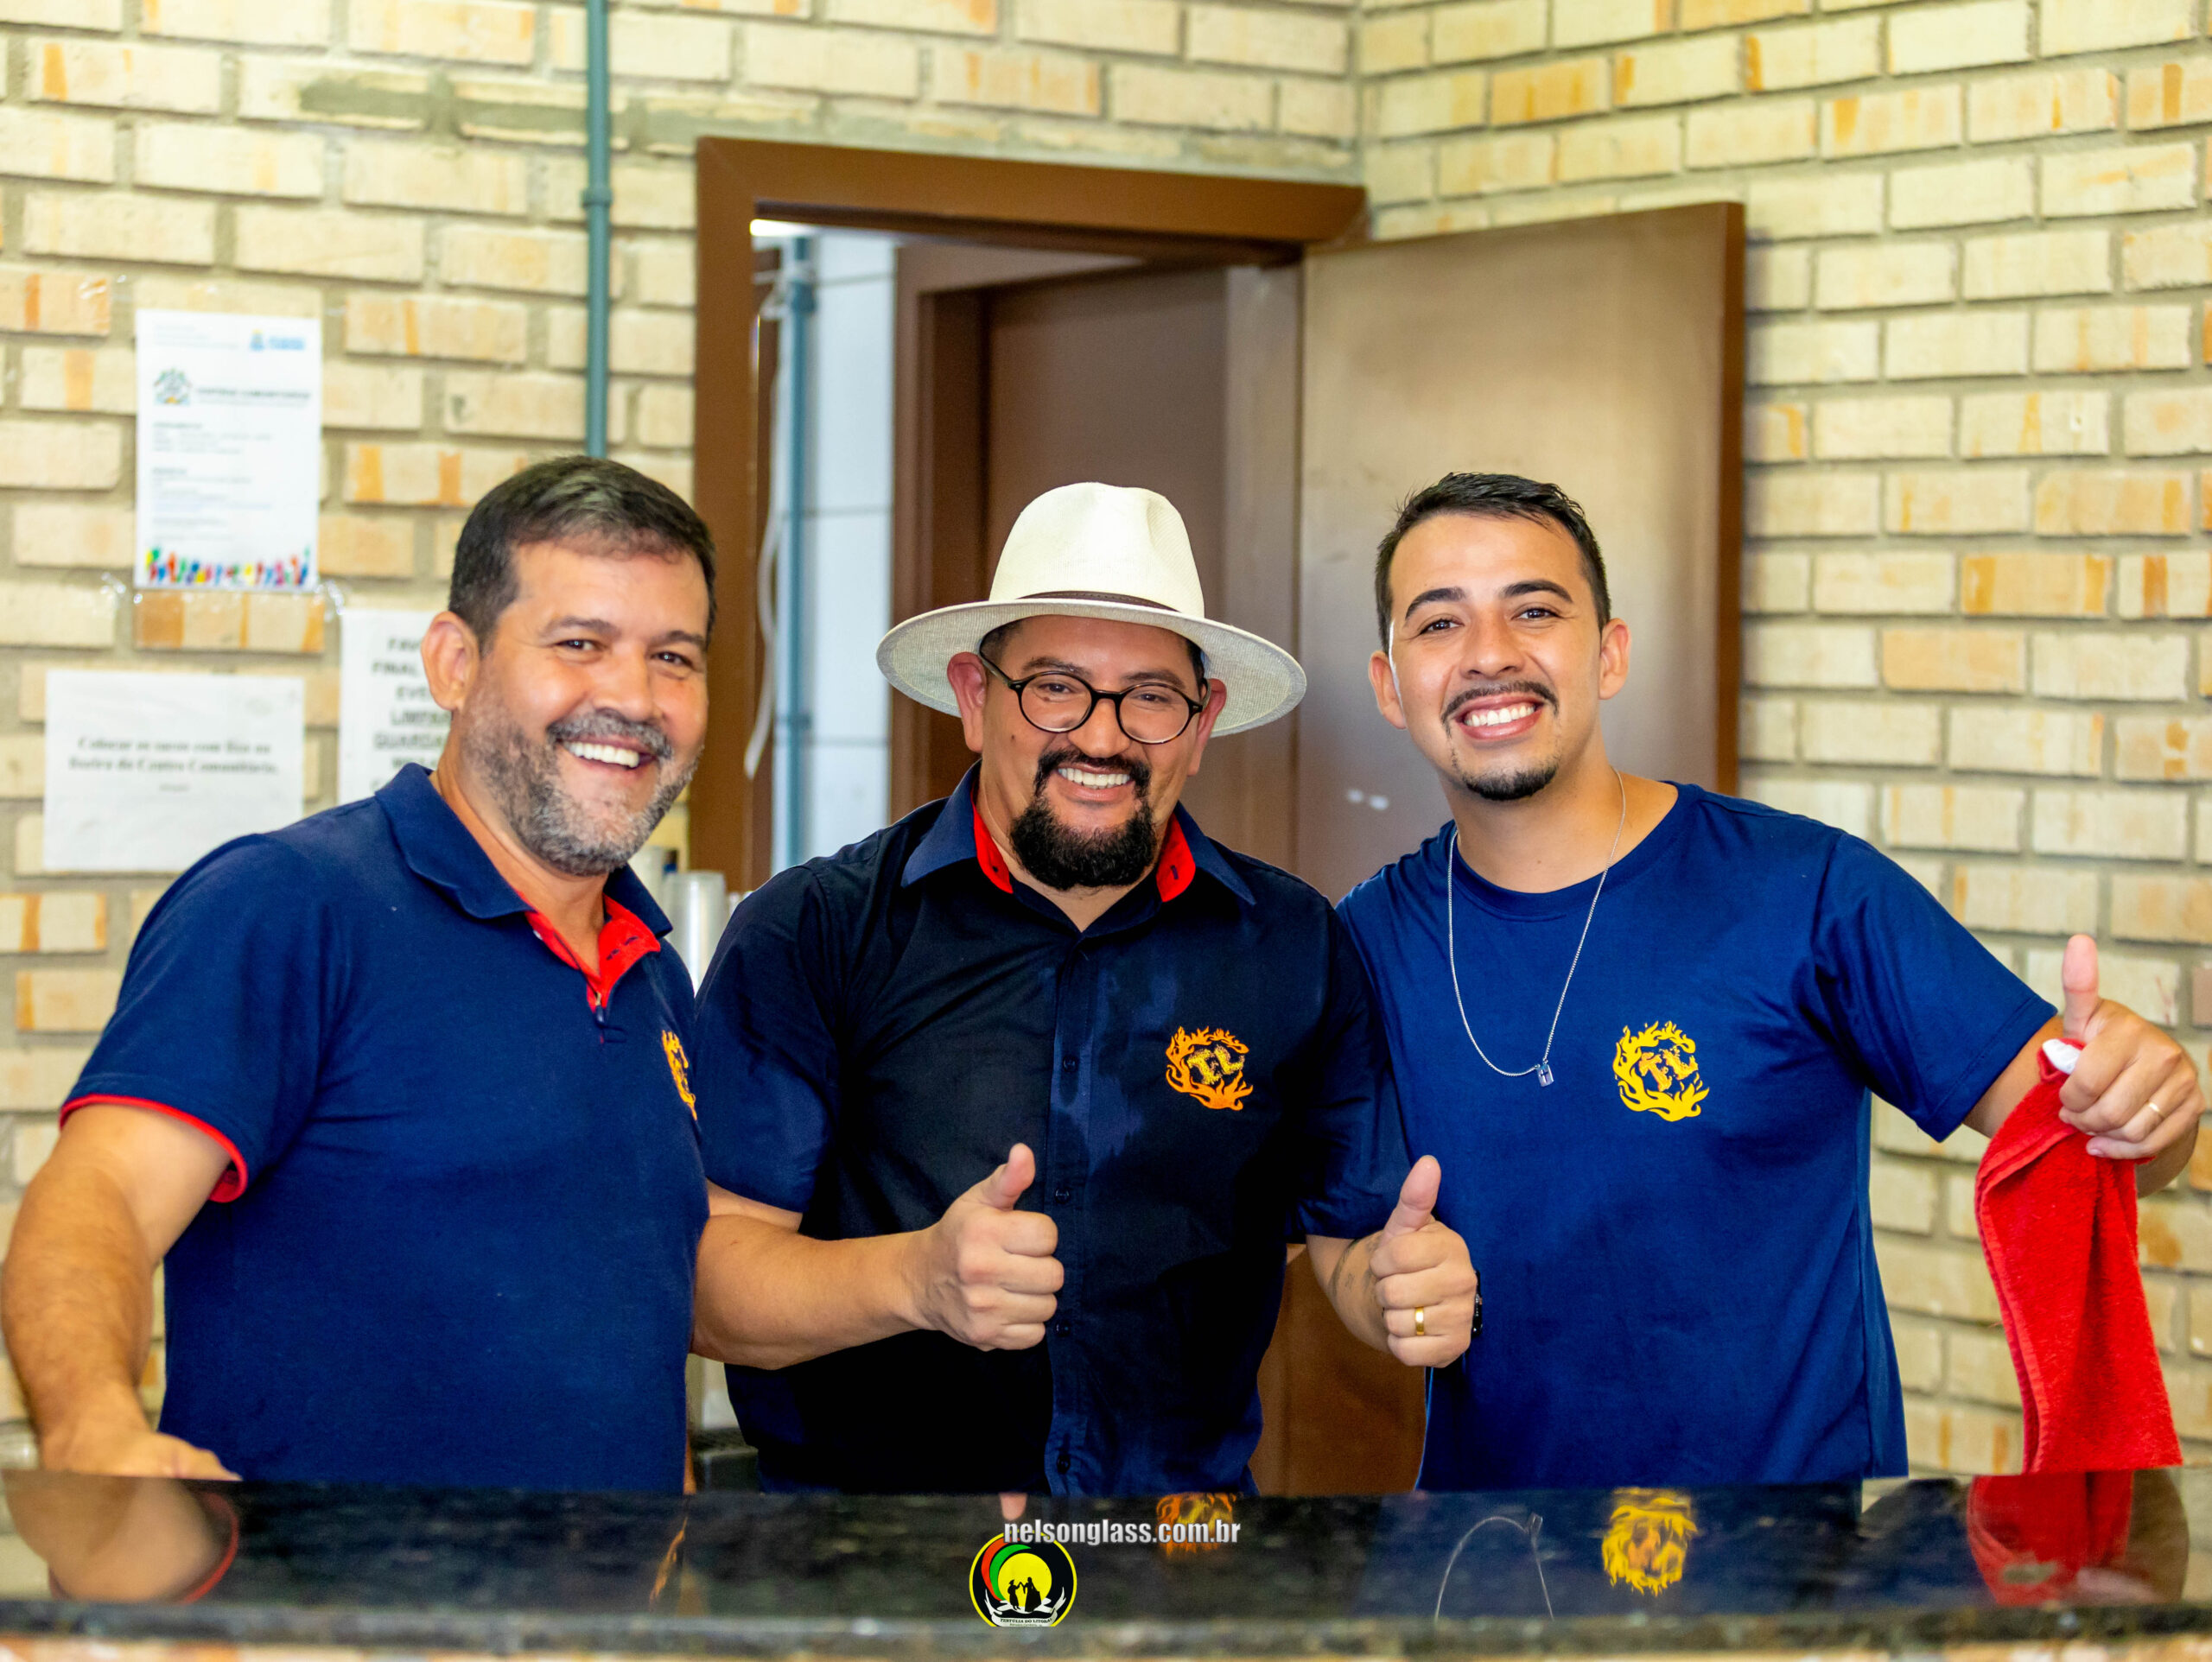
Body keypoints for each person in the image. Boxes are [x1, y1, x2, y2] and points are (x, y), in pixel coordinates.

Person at [1338, 472, 2204, 1490]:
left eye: (1534, 610)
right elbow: (1338, 1240)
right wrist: (1380, 1292)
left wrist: (2147, 1104)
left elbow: (2088, 1146)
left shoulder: (1808, 891)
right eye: (1439, 623)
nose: (1489, 653)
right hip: (1498, 1556)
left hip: (1799, 1555)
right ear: (1390, 684)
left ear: (1608, 653)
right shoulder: (1359, 944)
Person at [689, 482, 1479, 1494]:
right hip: (874, 1555)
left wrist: (1395, 1289)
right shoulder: (813, 933)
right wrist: (916, 1279)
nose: (1102, 738)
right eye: (1055, 687)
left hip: (1180, 1553)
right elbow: (710, 1285)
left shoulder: (1293, 945)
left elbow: (1343, 1244)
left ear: (1201, 722)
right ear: (974, 698)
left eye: (1149, 695)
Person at [1, 456, 716, 1489]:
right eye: (580, 644)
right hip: (306, 1591)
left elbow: (626, 1340)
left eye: (673, 657)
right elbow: (98, 1195)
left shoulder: (652, 973)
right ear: (454, 663)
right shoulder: (288, 905)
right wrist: (93, 1435)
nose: (632, 696)